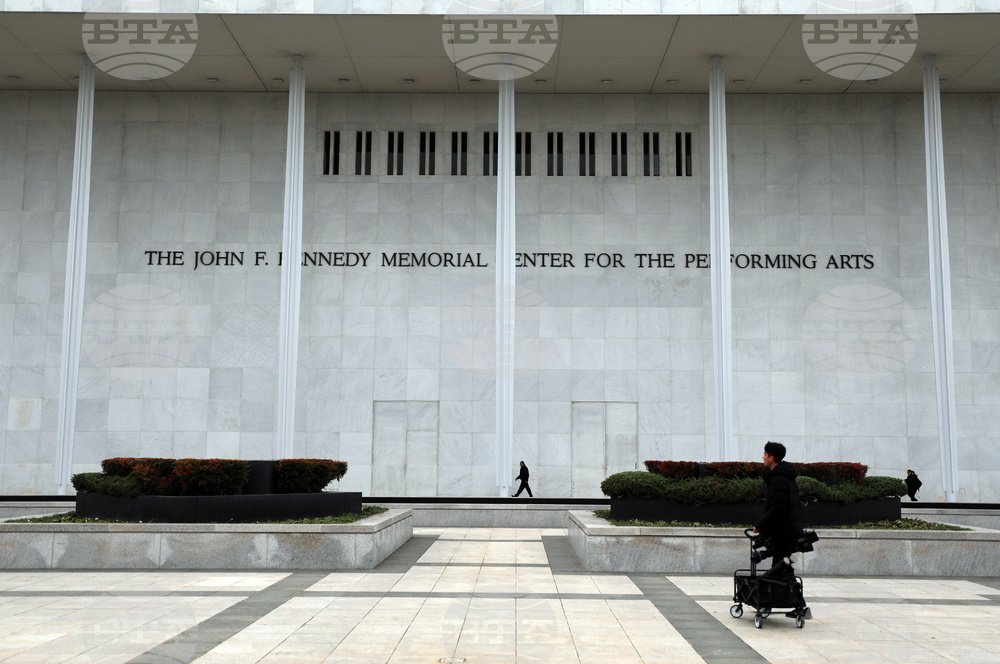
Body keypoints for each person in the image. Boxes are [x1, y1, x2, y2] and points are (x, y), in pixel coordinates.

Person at [753, 441, 803, 571]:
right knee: (782, 569)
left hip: (783, 532)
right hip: (788, 530)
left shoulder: (778, 480)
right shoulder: (786, 477)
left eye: (765, 454)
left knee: (780, 571)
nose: (763, 457)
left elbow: (777, 510)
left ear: (772, 458)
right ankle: (788, 590)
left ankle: (787, 591)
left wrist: (760, 526)